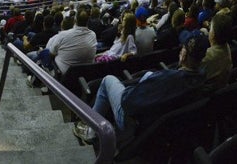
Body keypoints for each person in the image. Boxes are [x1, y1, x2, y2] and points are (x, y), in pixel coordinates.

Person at [73, 34, 209, 144]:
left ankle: (91, 131)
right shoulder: (201, 78)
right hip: (155, 124)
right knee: (148, 75)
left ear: (184, 55)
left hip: (134, 121)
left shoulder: (169, 79)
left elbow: (127, 102)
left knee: (108, 80)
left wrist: (131, 88)